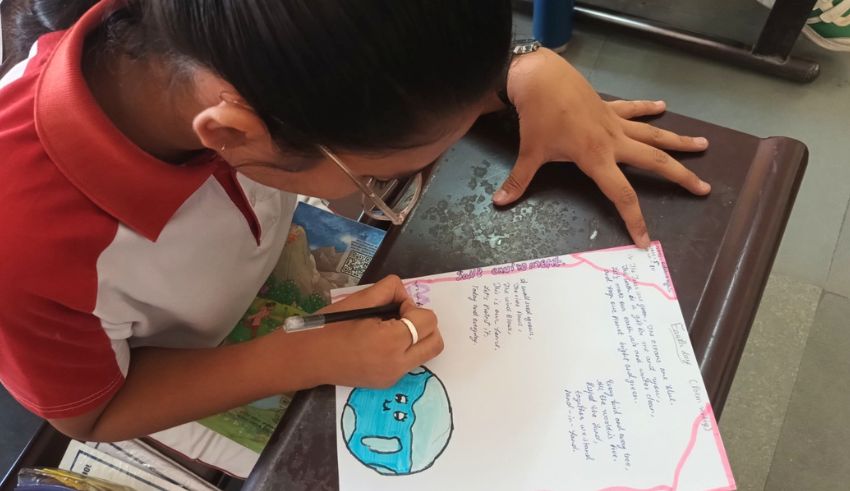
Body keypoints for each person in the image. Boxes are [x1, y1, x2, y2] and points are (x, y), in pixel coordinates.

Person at [0, 0, 710, 443]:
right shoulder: (22, 246)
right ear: (235, 135)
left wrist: (525, 71)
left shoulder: (203, 53)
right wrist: (306, 354)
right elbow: (90, 414)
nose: (379, 189)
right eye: (377, 182)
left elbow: (393, 57)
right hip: (166, 370)